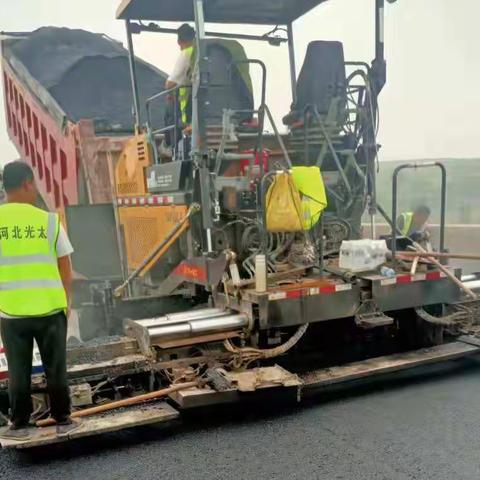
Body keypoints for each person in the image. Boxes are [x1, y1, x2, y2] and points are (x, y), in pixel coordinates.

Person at [0, 161, 78, 440]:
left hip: (11, 312)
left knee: (17, 370)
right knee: (55, 366)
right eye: (33, 184)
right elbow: (64, 264)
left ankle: (20, 423)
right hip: (49, 309)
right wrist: (67, 300)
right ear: (26, 184)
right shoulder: (47, 220)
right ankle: (63, 419)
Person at [165, 23, 196, 129]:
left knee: (169, 113)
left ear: (179, 41)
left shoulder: (187, 53)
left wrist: (170, 95)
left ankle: (169, 143)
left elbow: (170, 84)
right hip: (209, 108)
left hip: (189, 108)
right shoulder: (205, 52)